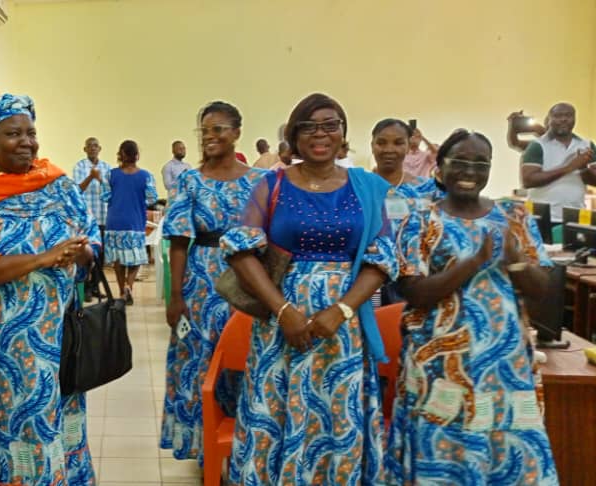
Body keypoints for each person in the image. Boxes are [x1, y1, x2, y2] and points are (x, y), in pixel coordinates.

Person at [223, 93, 397, 484]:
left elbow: (382, 259)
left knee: (337, 419)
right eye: (309, 126)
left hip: (344, 331)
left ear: (343, 132)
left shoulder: (367, 187)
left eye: (330, 125)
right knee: (276, 415)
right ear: (294, 136)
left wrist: (342, 310)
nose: (320, 134)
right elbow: (239, 250)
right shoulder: (272, 185)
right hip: (280, 325)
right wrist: (284, 311)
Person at [0, 94, 99, 484]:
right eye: (13, 133)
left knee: (59, 425)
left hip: (60, 338)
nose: (26, 141)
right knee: (13, 431)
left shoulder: (58, 185)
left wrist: (82, 253)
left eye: (31, 133)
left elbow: (91, 243)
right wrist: (43, 258)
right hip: (0, 349)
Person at [385, 129, 559, 484]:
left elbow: (541, 290)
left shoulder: (514, 216)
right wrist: (473, 261)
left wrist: (514, 260)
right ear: (440, 166)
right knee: (444, 453)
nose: (470, 171)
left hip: (505, 363)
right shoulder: (419, 218)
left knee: (511, 450)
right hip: (442, 366)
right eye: (460, 161)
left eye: (481, 164)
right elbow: (413, 291)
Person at [160, 101, 268, 462]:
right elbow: (177, 240)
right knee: (198, 361)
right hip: (200, 283)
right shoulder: (191, 180)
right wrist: (175, 296)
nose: (210, 136)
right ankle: (204, 446)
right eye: (204, 130)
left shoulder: (259, 180)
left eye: (218, 129)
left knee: (243, 357)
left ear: (237, 133)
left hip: (247, 282)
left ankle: (241, 441)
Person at [370, 118, 440, 306]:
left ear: (409, 145)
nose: (389, 149)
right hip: (369, 281)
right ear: (372, 145)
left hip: (415, 282)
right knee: (375, 328)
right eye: (381, 142)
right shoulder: (360, 187)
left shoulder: (424, 190)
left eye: (398, 143)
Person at [521, 102, 596, 223]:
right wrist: (569, 167)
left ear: (574, 118)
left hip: (575, 216)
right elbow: (528, 181)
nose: (564, 119)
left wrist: (583, 169)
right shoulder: (537, 145)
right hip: (541, 217)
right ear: (549, 119)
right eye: (558, 116)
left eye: (568, 115)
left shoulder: (587, 145)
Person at [105, 140, 158, 305]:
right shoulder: (146, 176)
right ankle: (129, 286)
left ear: (121, 155)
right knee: (136, 259)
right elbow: (152, 198)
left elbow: (104, 197)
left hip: (115, 222)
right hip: (135, 221)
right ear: (137, 156)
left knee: (118, 261)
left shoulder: (110, 174)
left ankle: (121, 292)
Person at [74, 136, 112, 299]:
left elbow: (110, 190)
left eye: (96, 146)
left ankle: (96, 286)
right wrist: (90, 177)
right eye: (90, 146)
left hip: (103, 217)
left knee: (101, 255)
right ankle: (87, 288)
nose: (93, 148)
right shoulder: (79, 166)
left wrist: (101, 179)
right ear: (85, 149)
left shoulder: (107, 167)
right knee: (88, 255)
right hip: (87, 220)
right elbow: (77, 190)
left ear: (100, 148)